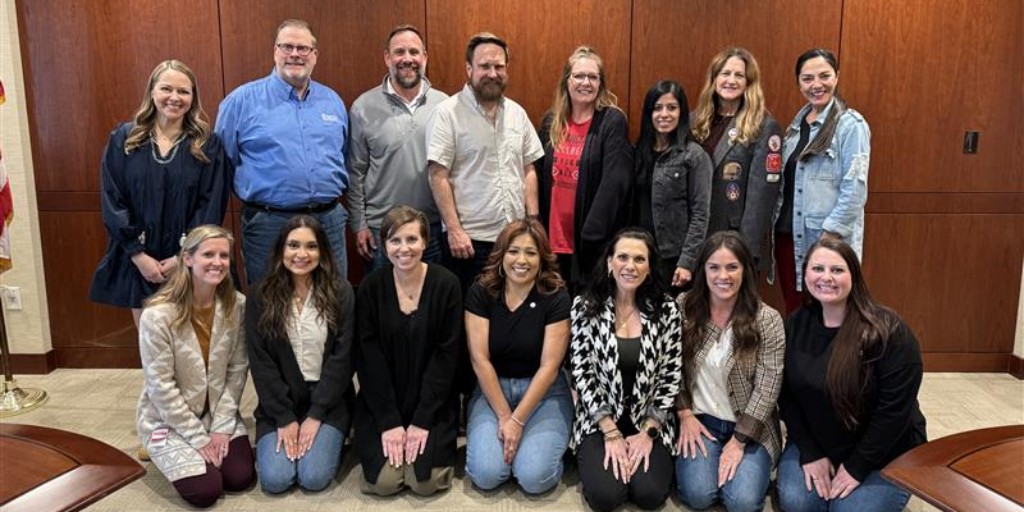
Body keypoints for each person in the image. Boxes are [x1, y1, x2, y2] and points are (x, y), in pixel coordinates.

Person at [777, 238, 926, 511]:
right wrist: (810, 452)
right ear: (806, 273)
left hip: (884, 451)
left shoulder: (888, 332)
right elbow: (787, 395)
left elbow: (894, 413)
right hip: (818, 440)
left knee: (847, 509)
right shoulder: (796, 323)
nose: (826, 277)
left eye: (837, 270)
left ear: (854, 275)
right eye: (817, 268)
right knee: (798, 503)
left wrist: (857, 467)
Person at [90, 60, 229, 326]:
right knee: (152, 347)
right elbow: (112, 199)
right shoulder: (124, 139)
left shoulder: (207, 145)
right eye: (167, 89)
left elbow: (210, 204)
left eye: (183, 91)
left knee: (190, 346)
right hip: (139, 260)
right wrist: (138, 255)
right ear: (152, 91)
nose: (174, 98)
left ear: (193, 97)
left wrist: (184, 257)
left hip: (189, 260)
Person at [216, 19, 350, 287]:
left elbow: (343, 155)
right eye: (287, 46)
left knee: (335, 298)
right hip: (269, 222)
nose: (295, 54)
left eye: (303, 48)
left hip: (328, 221)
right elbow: (222, 166)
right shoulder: (241, 102)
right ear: (275, 51)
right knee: (268, 302)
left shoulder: (333, 101)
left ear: (315, 55)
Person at [136, 225, 253, 508]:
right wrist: (199, 439)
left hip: (216, 413)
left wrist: (222, 427)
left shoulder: (237, 305)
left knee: (240, 477)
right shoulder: (157, 314)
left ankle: (211, 445)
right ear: (188, 259)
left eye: (224, 255)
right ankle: (158, 448)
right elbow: (160, 386)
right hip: (168, 418)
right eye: (208, 254)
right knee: (205, 491)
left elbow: (238, 370)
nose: (217, 262)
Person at [570, 228, 682, 511]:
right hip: (600, 420)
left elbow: (671, 376)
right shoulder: (585, 307)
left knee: (649, 494)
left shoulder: (666, 309)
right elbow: (582, 373)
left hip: (650, 419)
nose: (630, 266)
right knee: (607, 497)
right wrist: (610, 432)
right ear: (609, 262)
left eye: (639, 259)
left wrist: (649, 432)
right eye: (622, 257)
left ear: (649, 267)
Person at [354, 206, 462, 495]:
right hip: (382, 400)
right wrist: (389, 422)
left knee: (423, 482)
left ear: (425, 242)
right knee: (385, 483)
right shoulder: (370, 287)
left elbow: (447, 356)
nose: (404, 249)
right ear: (384, 245)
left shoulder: (447, 284)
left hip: (432, 402)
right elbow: (368, 357)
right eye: (395, 240)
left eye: (412, 239)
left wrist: (422, 419)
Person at [674, 231, 785, 512]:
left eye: (732, 267)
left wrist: (738, 441)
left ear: (746, 270)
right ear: (703, 270)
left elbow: (768, 388)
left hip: (750, 427)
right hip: (700, 422)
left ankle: (750, 468)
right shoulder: (684, 307)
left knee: (743, 503)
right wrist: (684, 412)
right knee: (699, 495)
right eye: (714, 267)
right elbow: (670, 368)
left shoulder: (767, 319)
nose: (723, 276)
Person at [426, 32, 545, 291]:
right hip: (469, 243)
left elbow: (529, 169)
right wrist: (454, 230)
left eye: (499, 66)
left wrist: (533, 221)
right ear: (469, 68)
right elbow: (437, 175)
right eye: (484, 66)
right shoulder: (447, 114)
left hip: (515, 239)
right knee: (473, 319)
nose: (493, 73)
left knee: (511, 314)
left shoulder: (517, 113)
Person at [245, 215, 355, 494]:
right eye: (293, 245)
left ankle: (333, 440)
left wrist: (316, 414)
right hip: (279, 403)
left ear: (323, 252)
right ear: (281, 249)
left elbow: (343, 360)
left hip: (328, 402)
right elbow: (261, 364)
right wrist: (285, 418)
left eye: (311, 246)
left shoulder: (340, 292)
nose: (302, 254)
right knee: (276, 479)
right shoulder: (260, 296)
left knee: (314, 477)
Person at [464, 218, 573, 494]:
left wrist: (517, 420)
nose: (521, 260)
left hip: (544, 392)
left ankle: (542, 452)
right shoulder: (481, 291)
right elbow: (480, 360)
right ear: (501, 254)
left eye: (531, 252)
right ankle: (512, 449)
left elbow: (550, 367)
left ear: (542, 258)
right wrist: (504, 416)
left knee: (534, 478)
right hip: (493, 389)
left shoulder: (555, 295)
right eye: (513, 251)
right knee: (486, 475)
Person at [774, 48, 871, 314]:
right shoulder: (795, 129)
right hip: (787, 237)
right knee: (797, 311)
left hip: (825, 239)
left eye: (824, 76)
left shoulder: (850, 125)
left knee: (829, 312)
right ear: (799, 83)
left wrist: (828, 239)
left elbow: (855, 190)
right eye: (807, 79)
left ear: (836, 77)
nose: (816, 85)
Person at [347, 25, 448, 272]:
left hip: (431, 228)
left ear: (425, 57)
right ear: (387, 57)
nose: (407, 59)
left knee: (430, 302)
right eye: (399, 52)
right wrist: (359, 225)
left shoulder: (444, 105)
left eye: (414, 52)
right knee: (386, 304)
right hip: (382, 231)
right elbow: (355, 173)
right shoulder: (363, 107)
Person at [537, 46, 633, 290]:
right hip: (552, 239)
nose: (586, 82)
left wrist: (591, 236)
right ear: (566, 81)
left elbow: (616, 182)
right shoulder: (551, 121)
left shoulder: (612, 121)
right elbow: (537, 175)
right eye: (579, 76)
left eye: (593, 77)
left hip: (591, 243)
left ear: (601, 83)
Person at [690, 48, 783, 275]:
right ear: (714, 79)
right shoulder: (694, 121)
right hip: (693, 240)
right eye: (724, 73)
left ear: (748, 83)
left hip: (733, 241)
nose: (730, 80)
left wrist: (745, 253)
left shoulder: (764, 127)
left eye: (738, 75)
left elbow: (761, 198)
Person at [631, 80, 712, 291]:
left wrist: (687, 262)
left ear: (682, 112)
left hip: (673, 259)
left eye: (672, 108)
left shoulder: (694, 155)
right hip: (639, 254)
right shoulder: (637, 152)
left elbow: (700, 214)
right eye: (657, 108)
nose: (664, 114)